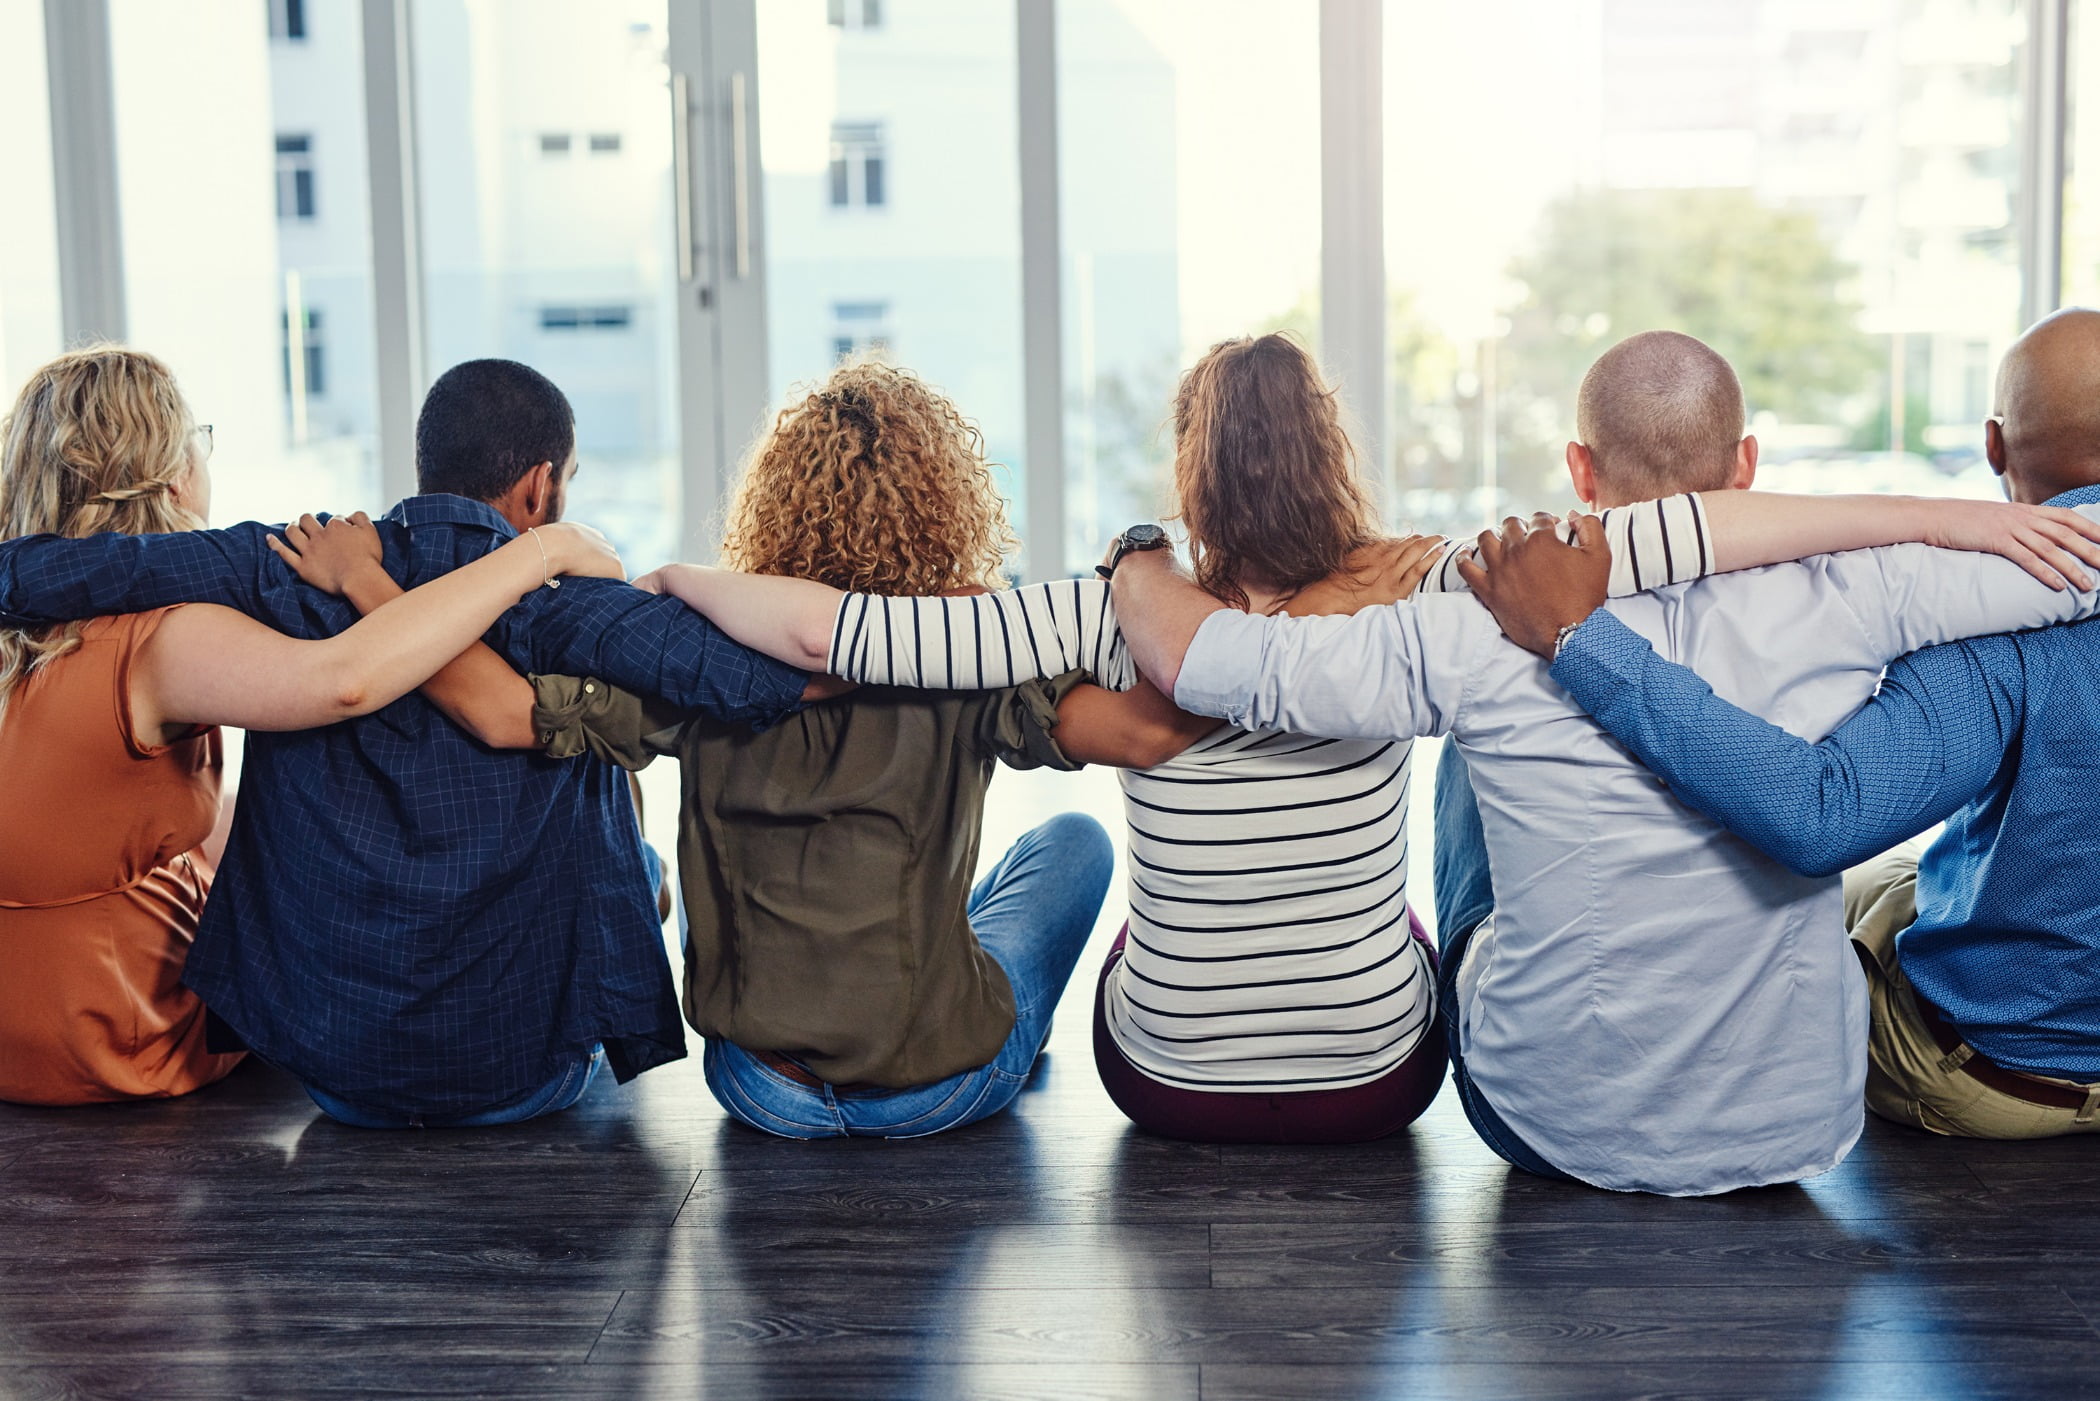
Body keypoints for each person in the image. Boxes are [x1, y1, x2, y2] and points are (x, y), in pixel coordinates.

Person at [1103, 329, 2100, 1194]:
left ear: (1581, 471)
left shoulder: (1467, 625)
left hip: (1543, 1126)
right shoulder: (1870, 591)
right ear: (1747, 463)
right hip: (1794, 1132)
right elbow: (2078, 564)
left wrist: (1140, 557)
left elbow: (1207, 663)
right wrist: (1934, 516)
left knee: (1469, 750)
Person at [286, 361, 1131, 1138]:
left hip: (761, 1088)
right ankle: (988, 1031)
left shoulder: (699, 659)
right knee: (1073, 843)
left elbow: (503, 710)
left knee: (700, 863)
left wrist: (372, 585)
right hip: (933, 1091)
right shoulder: (966, 651)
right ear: (946, 503)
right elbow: (1126, 728)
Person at [0, 358, 818, 1128]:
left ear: (425, 464)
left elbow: (84, 572)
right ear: (543, 487)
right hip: (526, 1079)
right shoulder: (572, 604)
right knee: (612, 792)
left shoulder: (284, 563)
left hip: (336, 1080)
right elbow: (762, 678)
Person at [1459, 307, 2100, 1142]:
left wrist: (1578, 637)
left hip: (2010, 1074)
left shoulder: (2006, 624)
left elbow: (1815, 817)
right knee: (1892, 881)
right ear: (1746, 464)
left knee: (1807, 885)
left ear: (1993, 445)